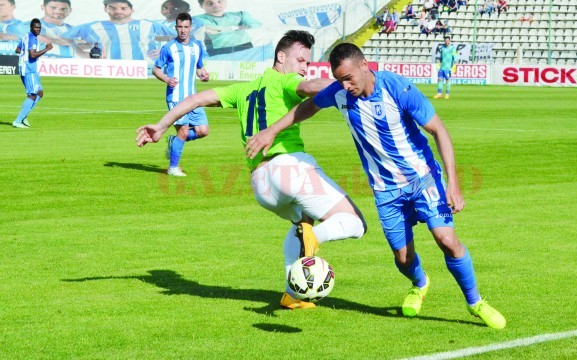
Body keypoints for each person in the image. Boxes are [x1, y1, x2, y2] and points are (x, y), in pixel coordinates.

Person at [245, 43, 506, 329]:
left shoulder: (398, 88)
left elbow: (438, 130)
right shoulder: (340, 93)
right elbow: (307, 108)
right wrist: (272, 131)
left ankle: (475, 302)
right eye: (339, 80)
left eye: (349, 78)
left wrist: (453, 184)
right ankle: (420, 284)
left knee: (446, 240)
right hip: (386, 191)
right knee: (403, 258)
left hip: (423, 178)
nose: (345, 85)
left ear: (364, 65)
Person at [136, 30, 367, 309]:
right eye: (301, 60)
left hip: (261, 183)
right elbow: (309, 88)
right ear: (281, 57)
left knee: (301, 224)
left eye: (307, 62)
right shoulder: (286, 81)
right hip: (288, 168)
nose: (305, 67)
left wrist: (161, 126)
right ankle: (315, 239)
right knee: (354, 223)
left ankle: (292, 294)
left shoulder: (243, 89)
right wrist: (348, 81)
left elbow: (195, 100)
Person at [152, 13, 209, 177]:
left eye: (186, 27)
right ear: (176, 27)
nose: (183, 30)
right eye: (179, 27)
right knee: (183, 131)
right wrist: (166, 79)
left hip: (193, 98)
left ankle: (174, 141)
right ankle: (173, 168)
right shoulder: (169, 47)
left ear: (191, 28)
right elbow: (156, 69)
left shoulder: (197, 46)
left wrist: (204, 75)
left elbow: (199, 68)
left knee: (203, 131)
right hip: (176, 97)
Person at [62, 0, 172, 60]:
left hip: (143, 71)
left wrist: (165, 51)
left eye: (123, 8)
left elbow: (183, 36)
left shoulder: (148, 25)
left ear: (131, 10)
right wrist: (80, 52)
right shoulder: (92, 26)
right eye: (113, 8)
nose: (118, 11)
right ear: (106, 9)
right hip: (108, 70)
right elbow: (62, 38)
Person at [195, 0, 272, 61]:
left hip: (246, 47)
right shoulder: (198, 19)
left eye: (219, 1)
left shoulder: (240, 14)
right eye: (210, 3)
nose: (217, 5)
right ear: (201, 6)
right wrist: (240, 27)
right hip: (219, 51)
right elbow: (214, 29)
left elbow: (256, 25)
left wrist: (229, 29)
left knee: (247, 72)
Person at [12, 19, 53, 129]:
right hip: (29, 69)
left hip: (26, 67)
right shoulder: (32, 39)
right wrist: (46, 49)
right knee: (33, 95)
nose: (38, 29)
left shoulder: (26, 36)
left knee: (39, 93)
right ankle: (18, 120)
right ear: (31, 27)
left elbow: (17, 49)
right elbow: (33, 55)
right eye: (36, 27)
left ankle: (23, 116)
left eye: (39, 27)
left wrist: (24, 54)